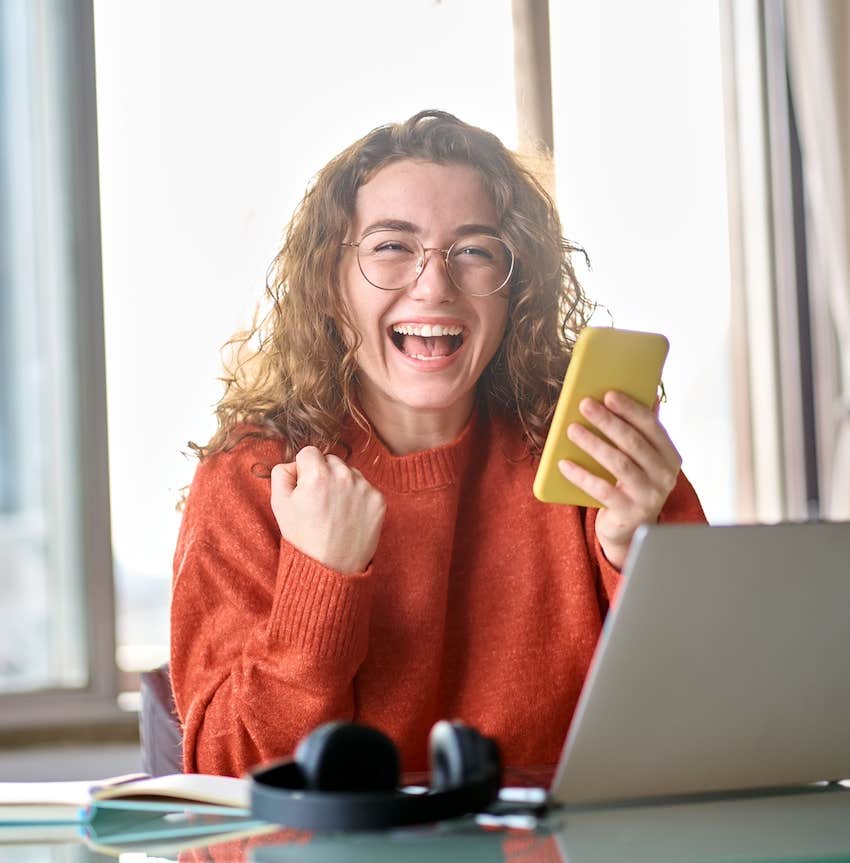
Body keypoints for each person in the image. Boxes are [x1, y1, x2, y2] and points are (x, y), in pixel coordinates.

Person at [171, 109, 706, 778]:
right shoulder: (251, 478)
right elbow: (225, 793)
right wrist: (319, 580)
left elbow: (708, 732)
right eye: (392, 247)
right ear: (331, 288)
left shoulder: (597, 454)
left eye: (475, 250)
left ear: (518, 288)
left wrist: (636, 556)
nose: (434, 284)